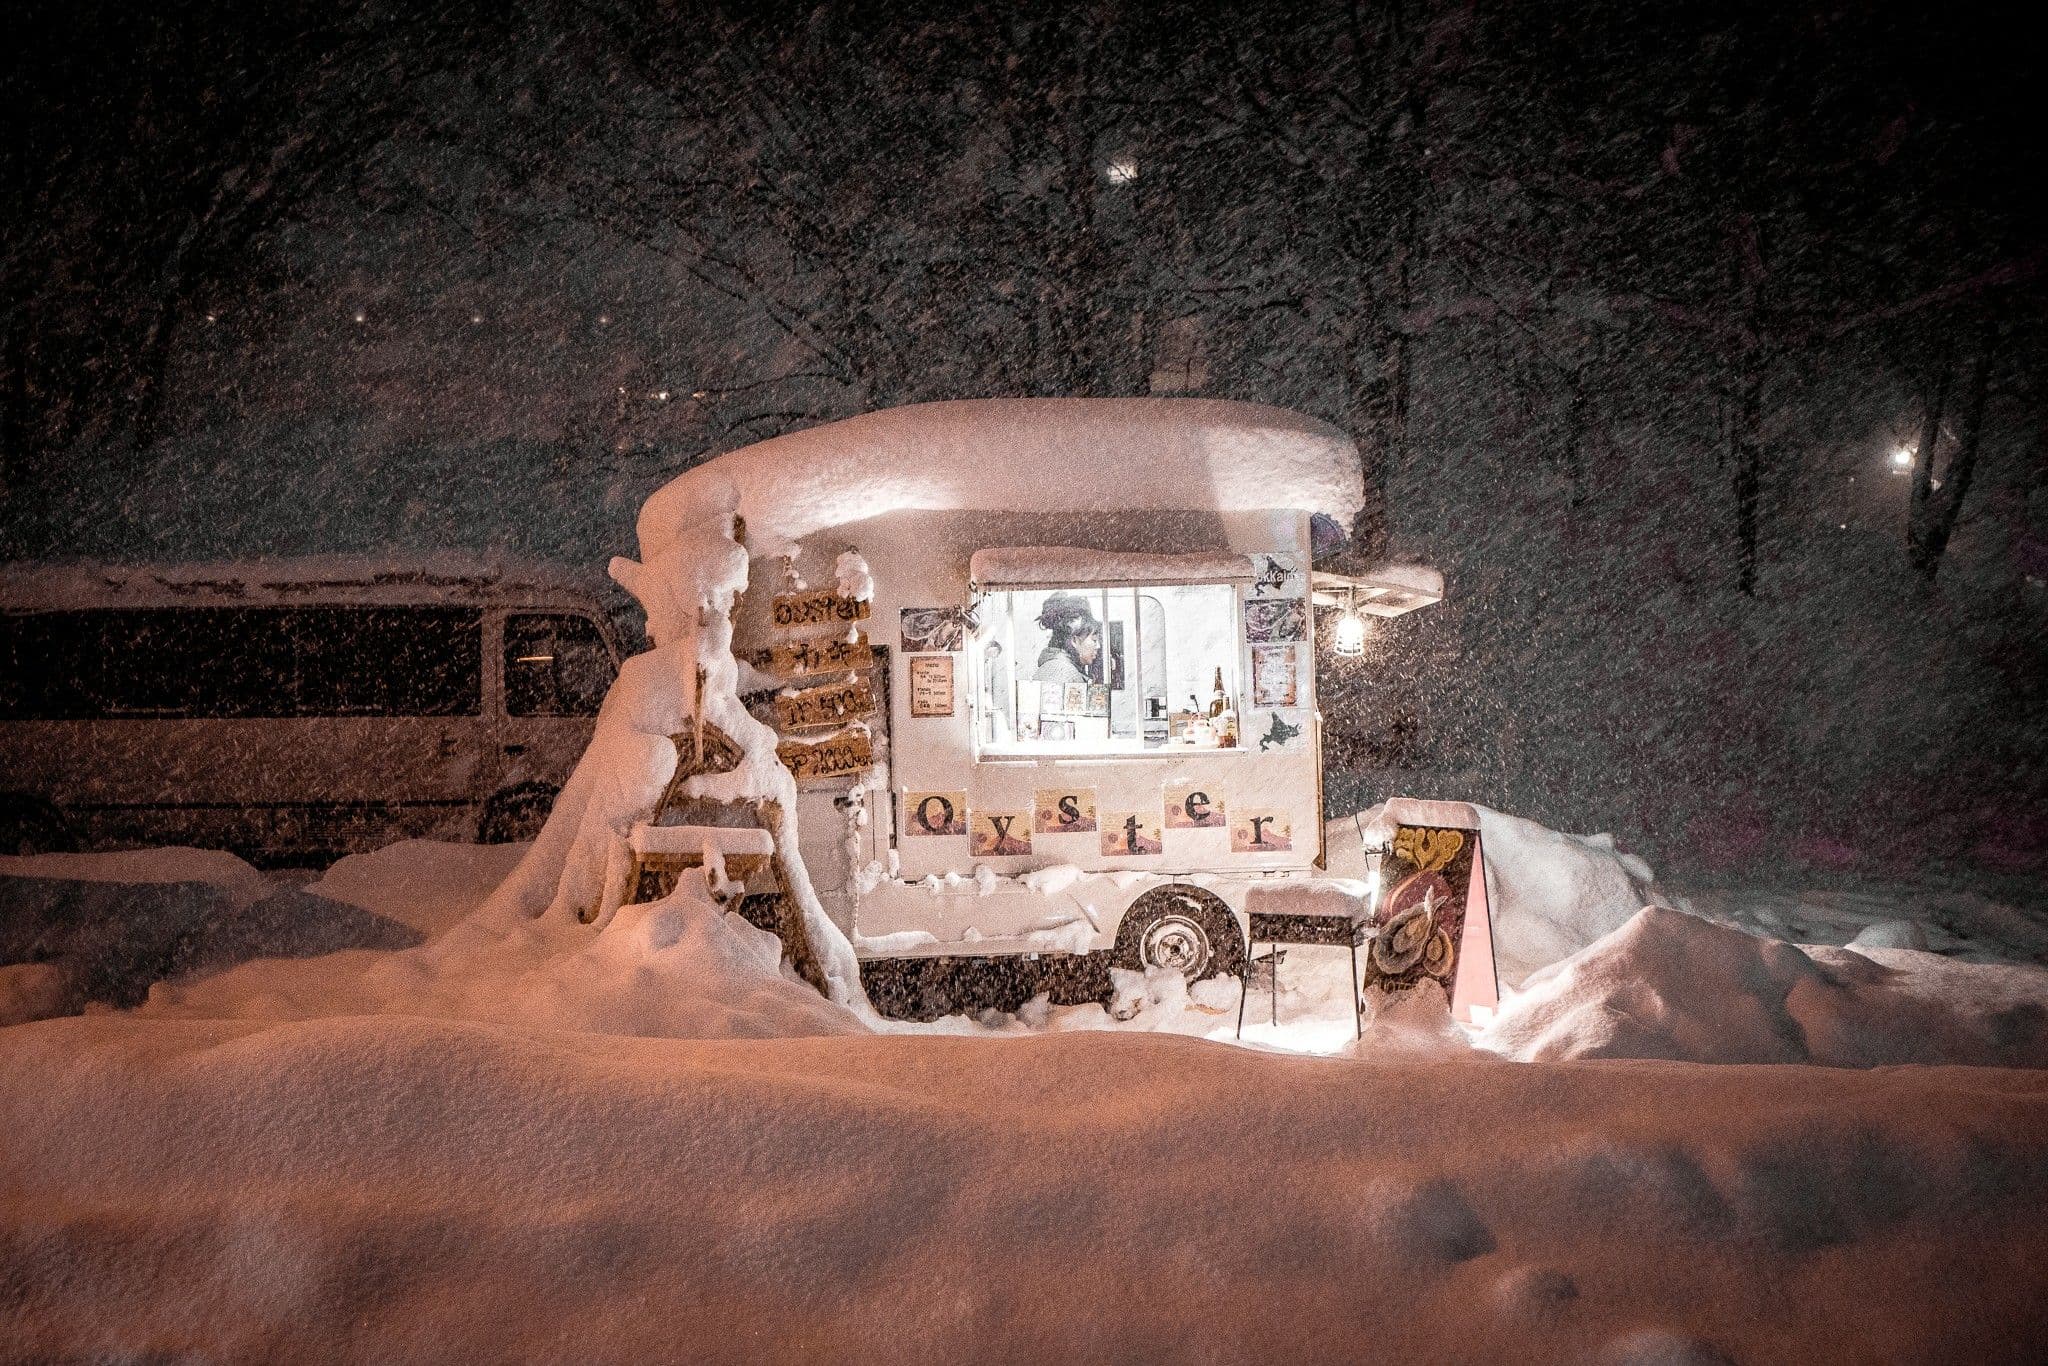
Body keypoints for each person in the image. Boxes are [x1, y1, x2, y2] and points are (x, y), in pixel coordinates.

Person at [1033, 592, 1103, 686]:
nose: (1098, 646)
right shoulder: (1061, 672)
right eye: (1094, 640)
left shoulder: (1060, 668)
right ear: (1074, 641)